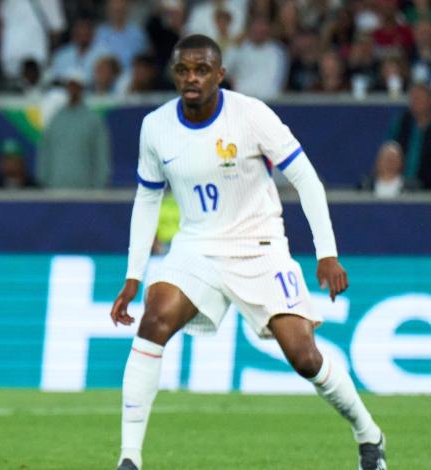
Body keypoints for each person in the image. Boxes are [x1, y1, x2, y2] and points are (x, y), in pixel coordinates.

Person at [109, 35, 386, 470]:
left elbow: (306, 178)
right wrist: (134, 275)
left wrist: (327, 254)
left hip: (260, 247)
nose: (191, 78)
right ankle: (129, 457)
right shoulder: (155, 127)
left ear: (220, 74)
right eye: (183, 70)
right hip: (196, 248)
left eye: (202, 70)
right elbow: (147, 198)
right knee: (155, 319)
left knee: (304, 357)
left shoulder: (252, 115)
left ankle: (368, 434)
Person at [36, 71, 111, 189]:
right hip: (56, 187)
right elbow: (46, 150)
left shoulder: (92, 120)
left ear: (82, 89)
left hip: (85, 189)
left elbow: (101, 155)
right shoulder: (56, 119)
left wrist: (99, 185)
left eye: (76, 86)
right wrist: (43, 179)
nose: (73, 90)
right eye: (70, 86)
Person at [389, 82, 431, 189]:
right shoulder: (402, 124)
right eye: (413, 99)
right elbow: (390, 150)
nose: (416, 102)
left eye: (420, 98)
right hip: (402, 184)